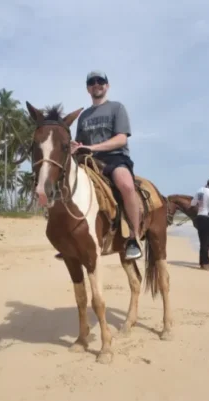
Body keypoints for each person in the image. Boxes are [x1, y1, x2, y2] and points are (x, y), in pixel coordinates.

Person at [55, 70, 142, 261]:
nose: (96, 84)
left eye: (100, 81)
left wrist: (93, 147)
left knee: (127, 186)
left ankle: (134, 238)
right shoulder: (84, 116)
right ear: (88, 88)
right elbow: (80, 142)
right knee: (65, 187)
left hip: (114, 158)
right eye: (92, 82)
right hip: (88, 161)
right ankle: (69, 237)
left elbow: (121, 139)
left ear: (107, 85)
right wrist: (74, 146)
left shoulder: (116, 108)